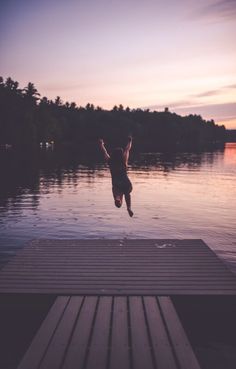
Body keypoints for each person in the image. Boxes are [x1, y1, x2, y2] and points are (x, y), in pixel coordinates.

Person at [99, 137, 134, 217]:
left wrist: (102, 145)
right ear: (121, 155)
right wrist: (130, 141)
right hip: (126, 183)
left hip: (116, 183)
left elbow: (104, 152)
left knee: (117, 191)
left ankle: (118, 198)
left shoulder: (110, 161)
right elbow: (127, 149)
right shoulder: (124, 160)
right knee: (127, 193)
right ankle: (128, 207)